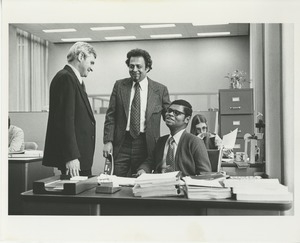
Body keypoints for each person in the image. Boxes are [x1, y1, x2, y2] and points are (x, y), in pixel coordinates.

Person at [103, 48, 170, 177]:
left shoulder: (160, 90)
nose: (134, 70)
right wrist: (107, 141)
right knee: (115, 180)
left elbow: (169, 117)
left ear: (148, 68)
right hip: (122, 143)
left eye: (139, 66)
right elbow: (111, 115)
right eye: (131, 66)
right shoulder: (119, 85)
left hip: (146, 145)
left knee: (140, 183)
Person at [43, 42, 97, 177]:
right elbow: (64, 121)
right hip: (74, 159)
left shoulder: (73, 79)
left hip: (79, 157)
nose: (91, 68)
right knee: (75, 196)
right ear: (80, 56)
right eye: (91, 62)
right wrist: (71, 156)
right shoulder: (66, 78)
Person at [137, 100, 211, 177]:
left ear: (187, 119)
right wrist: (142, 170)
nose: (170, 114)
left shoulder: (195, 142)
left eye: (176, 113)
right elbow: (149, 162)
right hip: (159, 185)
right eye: (169, 111)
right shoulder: (161, 141)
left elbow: (205, 174)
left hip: (183, 186)